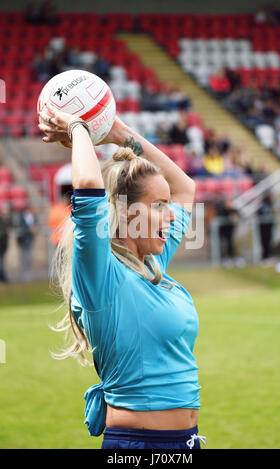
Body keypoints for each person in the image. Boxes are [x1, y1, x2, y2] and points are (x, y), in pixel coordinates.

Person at [38, 103, 205, 450]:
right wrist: (79, 129)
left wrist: (117, 132)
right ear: (127, 214)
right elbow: (87, 186)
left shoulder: (149, 265)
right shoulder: (102, 276)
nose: (171, 216)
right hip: (138, 446)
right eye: (159, 205)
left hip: (185, 443)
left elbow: (185, 188)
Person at [16, 204, 38, 282]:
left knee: (29, 257)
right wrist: (29, 230)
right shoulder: (22, 216)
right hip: (23, 240)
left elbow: (36, 226)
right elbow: (20, 227)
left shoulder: (34, 217)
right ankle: (24, 274)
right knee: (23, 257)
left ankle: (28, 273)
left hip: (30, 240)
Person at [258, 193, 275, 262]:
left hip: (269, 226)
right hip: (264, 227)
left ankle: (268, 256)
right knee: (265, 242)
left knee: (269, 242)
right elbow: (262, 213)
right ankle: (265, 257)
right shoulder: (263, 205)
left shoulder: (270, 204)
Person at [0, 203, 11, 283]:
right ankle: (3, 277)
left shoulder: (9, 219)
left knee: (2, 260)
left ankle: (3, 276)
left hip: (4, 243)